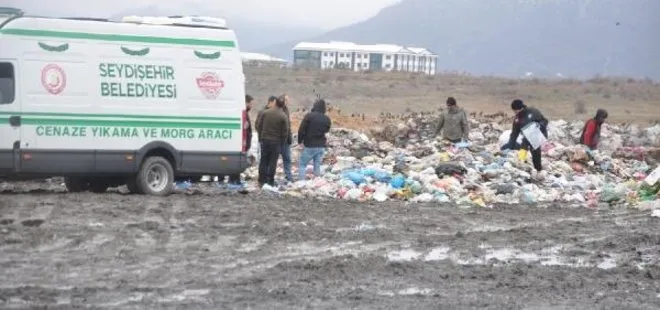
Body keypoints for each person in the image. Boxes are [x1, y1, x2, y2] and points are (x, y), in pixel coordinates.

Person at [502, 99, 549, 177]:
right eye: (514, 111)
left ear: (521, 108)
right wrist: (510, 146)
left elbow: (545, 121)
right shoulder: (517, 119)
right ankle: (522, 163)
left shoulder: (533, 112)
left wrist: (540, 125)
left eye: (516, 110)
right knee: (524, 143)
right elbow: (514, 134)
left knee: (534, 150)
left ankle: (538, 169)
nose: (515, 112)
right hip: (527, 136)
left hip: (539, 133)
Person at [219, 94, 254, 186]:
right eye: (250, 103)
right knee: (235, 161)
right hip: (239, 142)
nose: (251, 106)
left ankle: (231, 179)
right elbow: (245, 128)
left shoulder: (244, 113)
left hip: (240, 142)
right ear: (246, 103)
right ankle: (233, 179)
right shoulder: (242, 113)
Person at [257, 96, 289, 187]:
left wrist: (260, 138)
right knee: (272, 162)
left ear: (275, 103)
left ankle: (261, 180)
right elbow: (285, 131)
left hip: (265, 140)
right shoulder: (283, 116)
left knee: (263, 160)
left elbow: (259, 126)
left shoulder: (265, 113)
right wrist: (282, 142)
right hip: (276, 142)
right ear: (282, 106)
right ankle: (270, 180)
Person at [297, 98, 332, 180]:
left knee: (302, 164)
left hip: (310, 145)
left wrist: (300, 141)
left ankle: (302, 182)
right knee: (317, 164)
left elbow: (301, 130)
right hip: (321, 146)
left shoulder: (309, 116)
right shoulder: (327, 118)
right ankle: (316, 181)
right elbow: (327, 130)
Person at [278, 94, 294, 182]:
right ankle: (269, 176)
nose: (288, 102)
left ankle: (289, 176)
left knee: (287, 158)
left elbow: (288, 126)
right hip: (278, 139)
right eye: (287, 100)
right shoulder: (278, 110)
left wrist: (289, 137)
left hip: (286, 139)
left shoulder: (286, 110)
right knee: (273, 159)